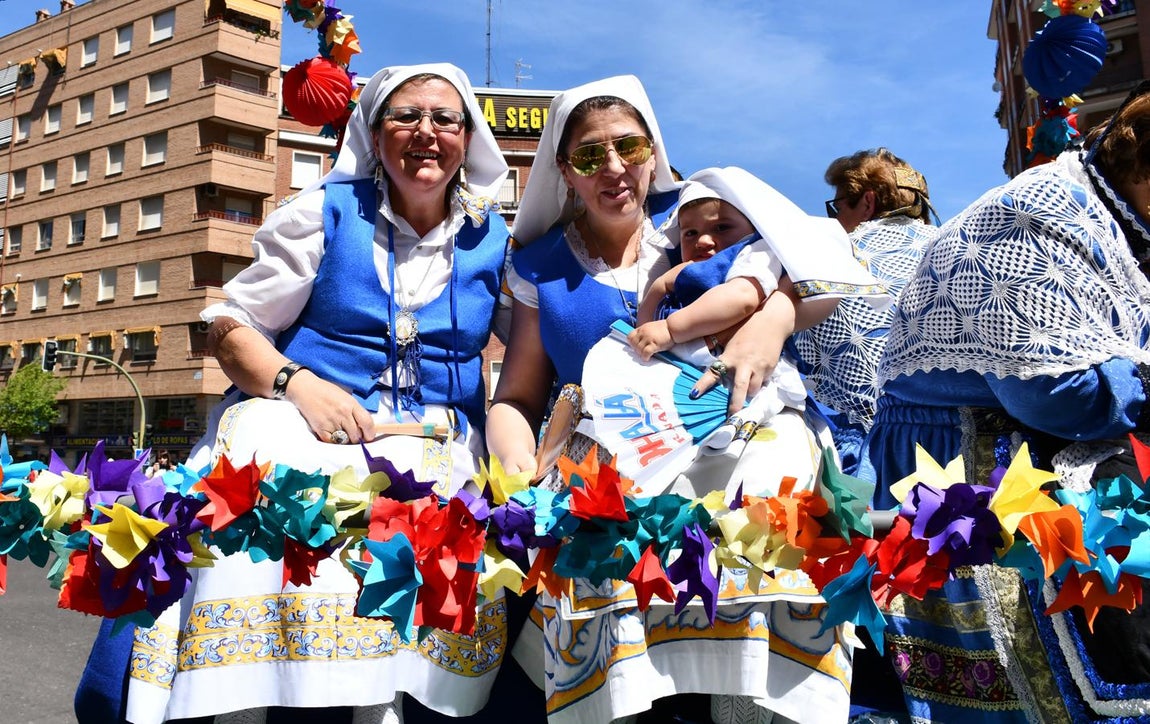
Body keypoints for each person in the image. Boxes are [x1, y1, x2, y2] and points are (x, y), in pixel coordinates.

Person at [78, 62, 518, 724]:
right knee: (255, 497)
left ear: (467, 136)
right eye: (406, 117)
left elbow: (543, 347)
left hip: (435, 445)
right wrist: (296, 382)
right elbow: (230, 327)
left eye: (444, 119)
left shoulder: (495, 240)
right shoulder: (322, 212)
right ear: (374, 133)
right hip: (310, 428)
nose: (426, 133)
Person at [487, 78, 859, 724]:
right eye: (589, 155)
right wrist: (520, 474)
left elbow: (823, 264)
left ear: (653, 153)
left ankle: (746, 707)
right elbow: (516, 396)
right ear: (563, 170)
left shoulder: (701, 221)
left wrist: (773, 319)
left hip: (737, 426)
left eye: (628, 146)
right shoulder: (541, 265)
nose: (612, 167)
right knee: (596, 530)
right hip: (610, 445)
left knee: (765, 505)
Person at [859, 82, 1150, 722]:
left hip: (1034, 466)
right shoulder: (1039, 213)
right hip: (967, 471)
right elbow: (1055, 393)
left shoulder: (1117, 223)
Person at [628, 167, 889, 488]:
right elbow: (646, 322)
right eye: (689, 233)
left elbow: (741, 298)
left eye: (722, 227)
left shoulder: (753, 255)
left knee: (759, 467)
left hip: (757, 388)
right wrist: (655, 306)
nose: (705, 241)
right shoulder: (684, 275)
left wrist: (670, 329)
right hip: (686, 398)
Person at [788, 149, 939, 477]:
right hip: (958, 453)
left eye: (838, 206)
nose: (834, 218)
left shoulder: (827, 256)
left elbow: (793, 352)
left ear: (867, 202)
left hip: (868, 463)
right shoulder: (953, 245)